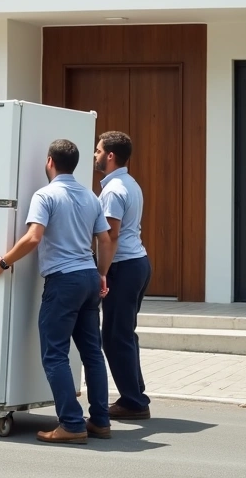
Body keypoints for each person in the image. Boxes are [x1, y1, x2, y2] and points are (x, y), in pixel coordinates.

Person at [0, 139, 114, 444]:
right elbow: (105, 241)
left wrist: (3, 263)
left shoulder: (46, 195)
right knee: (92, 352)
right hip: (89, 277)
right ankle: (100, 421)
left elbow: (33, 237)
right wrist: (103, 274)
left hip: (64, 281)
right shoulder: (91, 197)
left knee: (55, 354)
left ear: (50, 162)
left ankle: (71, 423)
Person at [93, 131, 153, 420]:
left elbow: (110, 237)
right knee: (124, 334)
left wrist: (101, 273)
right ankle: (135, 395)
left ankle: (133, 402)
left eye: (98, 150)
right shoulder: (130, 183)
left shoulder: (114, 190)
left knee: (115, 337)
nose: (95, 155)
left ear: (111, 155)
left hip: (123, 266)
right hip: (137, 262)